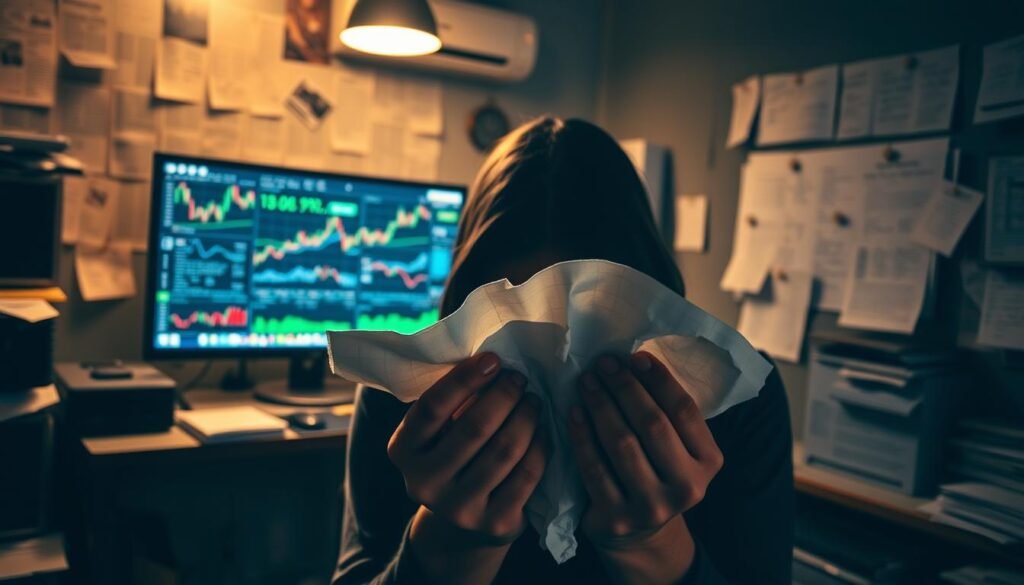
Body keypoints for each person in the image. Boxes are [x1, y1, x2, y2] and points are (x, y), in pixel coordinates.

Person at [333, 117, 793, 585]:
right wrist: (448, 544)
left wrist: (653, 546)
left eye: (597, 334)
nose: (559, 376)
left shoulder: (739, 399)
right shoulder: (406, 398)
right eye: (514, 344)